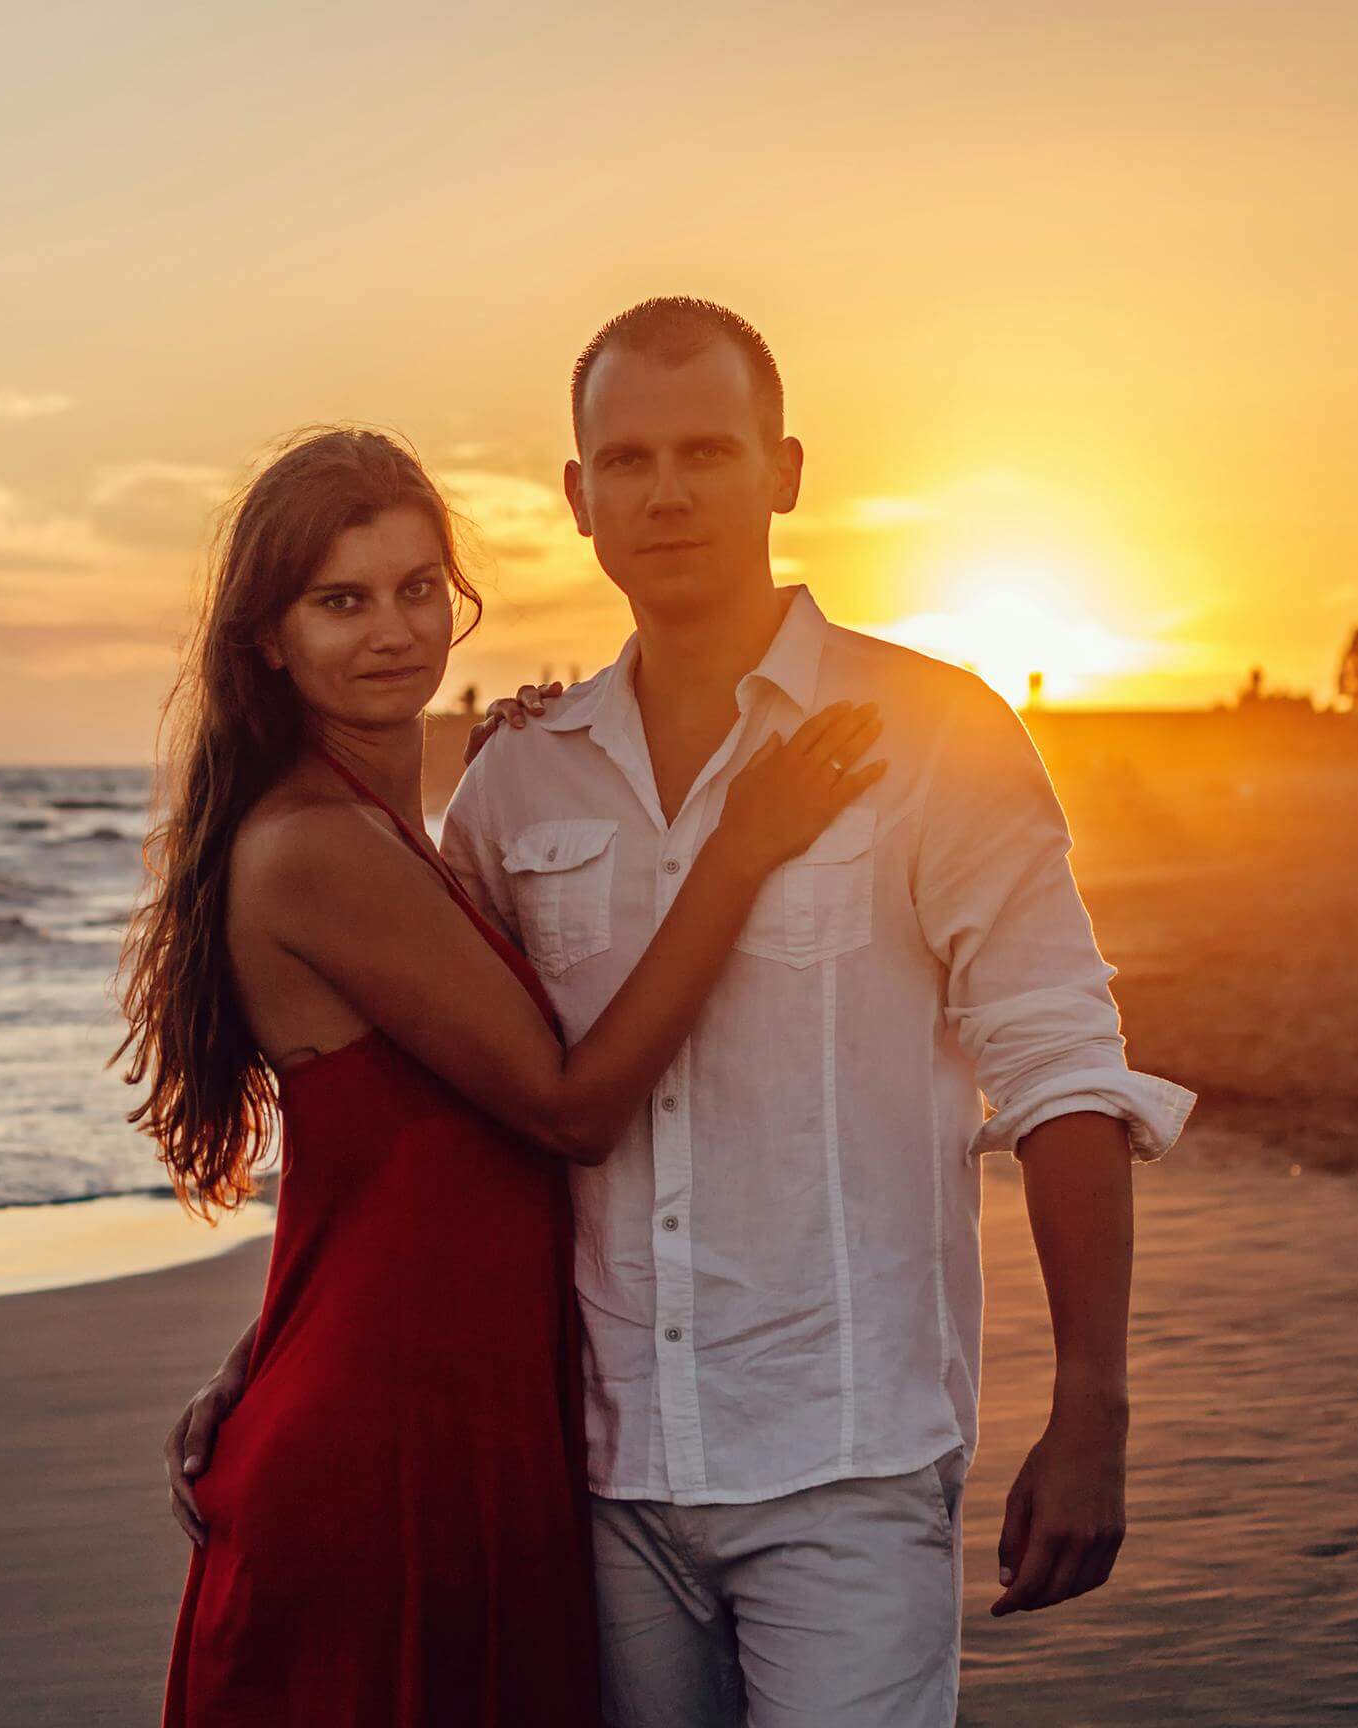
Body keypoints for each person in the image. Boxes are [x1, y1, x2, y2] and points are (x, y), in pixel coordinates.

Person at [169, 301, 1197, 1726]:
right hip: (596, 1479)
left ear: (782, 469)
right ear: (579, 499)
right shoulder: (519, 783)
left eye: (707, 450)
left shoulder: (939, 733)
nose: (669, 492)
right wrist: (269, 1349)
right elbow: (456, 1106)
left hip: (844, 1460)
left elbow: (1061, 1066)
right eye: (630, 459)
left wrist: (1094, 1402)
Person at [120, 425, 887, 1728]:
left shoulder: (383, 830)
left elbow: (389, 1175)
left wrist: (262, 1347)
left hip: (458, 1418)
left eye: (420, 589)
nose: (392, 631)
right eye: (340, 601)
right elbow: (571, 1107)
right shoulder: (313, 847)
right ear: (268, 636)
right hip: (388, 1454)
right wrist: (743, 849)